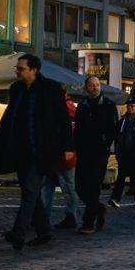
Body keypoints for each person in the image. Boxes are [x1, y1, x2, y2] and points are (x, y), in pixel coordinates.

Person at [0, 54, 73, 249]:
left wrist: (68, 147)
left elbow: (63, 121)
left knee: (30, 192)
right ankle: (44, 231)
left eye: (21, 68)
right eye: (17, 68)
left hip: (42, 151)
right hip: (21, 150)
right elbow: (11, 117)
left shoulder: (51, 89)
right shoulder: (17, 89)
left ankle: (18, 232)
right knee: (32, 192)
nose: (17, 71)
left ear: (34, 70)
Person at [73, 76, 118, 233]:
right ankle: (98, 208)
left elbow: (114, 129)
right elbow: (77, 128)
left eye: (97, 85)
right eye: (92, 85)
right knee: (79, 186)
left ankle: (88, 222)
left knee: (93, 186)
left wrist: (105, 142)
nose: (95, 87)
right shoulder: (83, 106)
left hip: (99, 152)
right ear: (87, 88)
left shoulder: (108, 105)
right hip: (83, 151)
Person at [42, 85, 80, 229]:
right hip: (59, 153)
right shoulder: (64, 106)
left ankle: (68, 216)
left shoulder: (65, 107)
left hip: (63, 154)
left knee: (64, 186)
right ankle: (63, 216)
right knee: (55, 185)